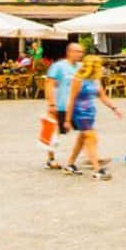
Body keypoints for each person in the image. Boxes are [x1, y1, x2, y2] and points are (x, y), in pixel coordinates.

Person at [62, 55, 122, 180]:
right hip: (79, 112)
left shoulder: (95, 79)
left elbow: (102, 96)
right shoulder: (78, 79)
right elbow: (71, 100)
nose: (100, 68)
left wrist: (114, 108)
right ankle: (97, 169)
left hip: (90, 112)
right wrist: (67, 120)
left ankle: (70, 164)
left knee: (82, 138)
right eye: (97, 65)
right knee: (91, 138)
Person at [44, 40, 84, 169]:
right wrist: (51, 103)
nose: (80, 54)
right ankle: (51, 158)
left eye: (82, 52)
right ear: (69, 52)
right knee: (54, 132)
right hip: (61, 104)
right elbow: (49, 84)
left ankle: (90, 156)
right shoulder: (58, 66)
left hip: (78, 106)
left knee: (86, 131)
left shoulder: (81, 67)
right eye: (77, 51)